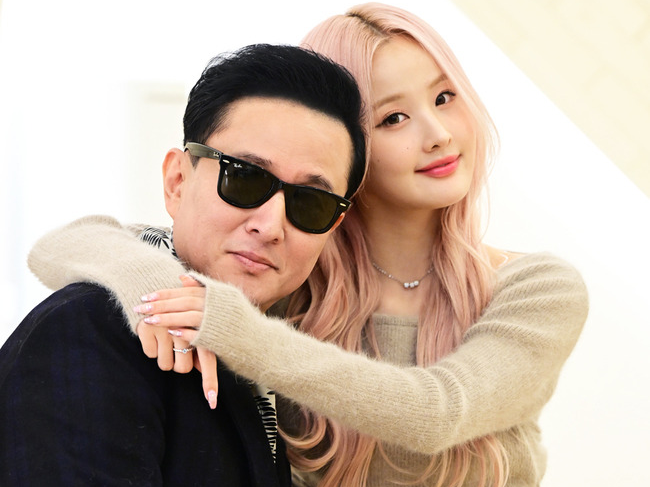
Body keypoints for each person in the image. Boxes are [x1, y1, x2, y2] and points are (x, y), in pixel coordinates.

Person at [21, 3, 589, 487]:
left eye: (445, 97)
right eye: (393, 117)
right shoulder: (292, 281)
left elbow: (439, 411)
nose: (437, 134)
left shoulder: (534, 289)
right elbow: (75, 241)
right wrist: (159, 291)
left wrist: (230, 325)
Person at [0, 43, 367, 486]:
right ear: (177, 182)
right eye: (244, 176)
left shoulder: (271, 363)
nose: (271, 226)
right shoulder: (88, 332)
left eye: (311, 202)